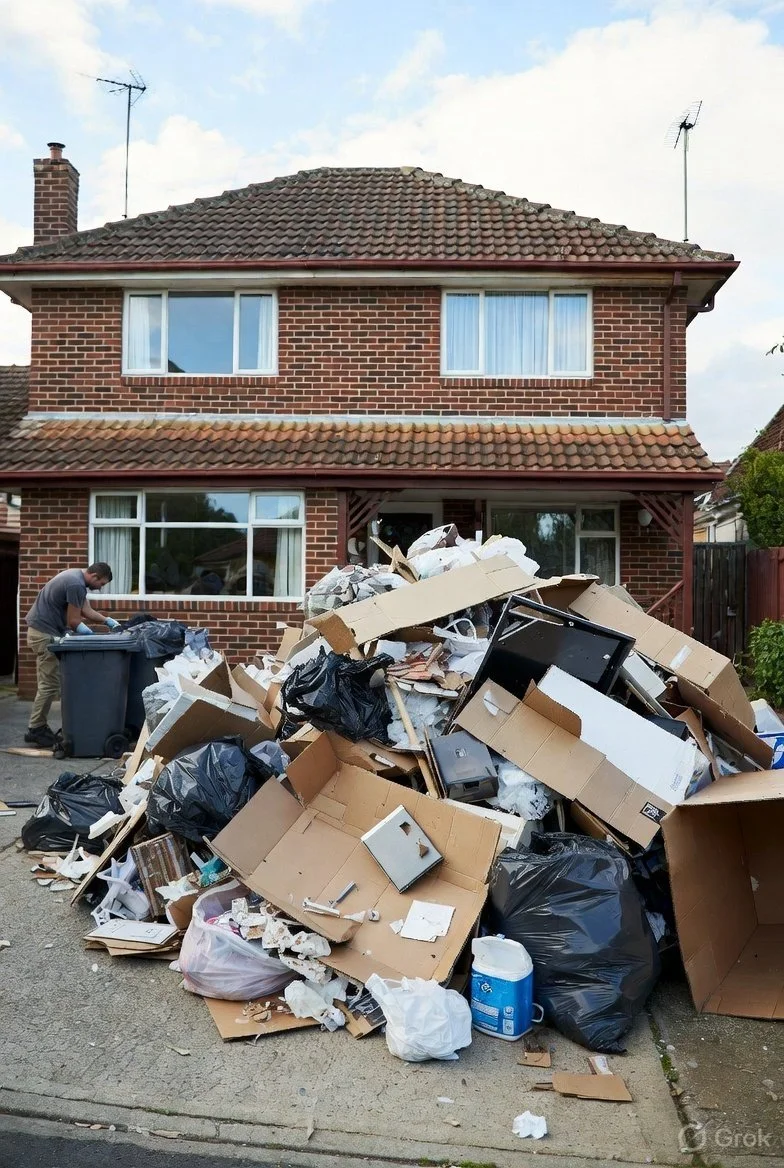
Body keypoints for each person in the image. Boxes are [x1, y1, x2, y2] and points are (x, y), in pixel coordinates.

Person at [24, 562, 119, 747]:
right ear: (95, 577)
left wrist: (108, 621)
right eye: (102, 584)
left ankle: (38, 726)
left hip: (42, 631)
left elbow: (86, 611)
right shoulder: (75, 584)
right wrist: (91, 637)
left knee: (49, 683)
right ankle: (36, 729)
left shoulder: (76, 577)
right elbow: (74, 621)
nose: (101, 588)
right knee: (49, 684)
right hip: (43, 634)